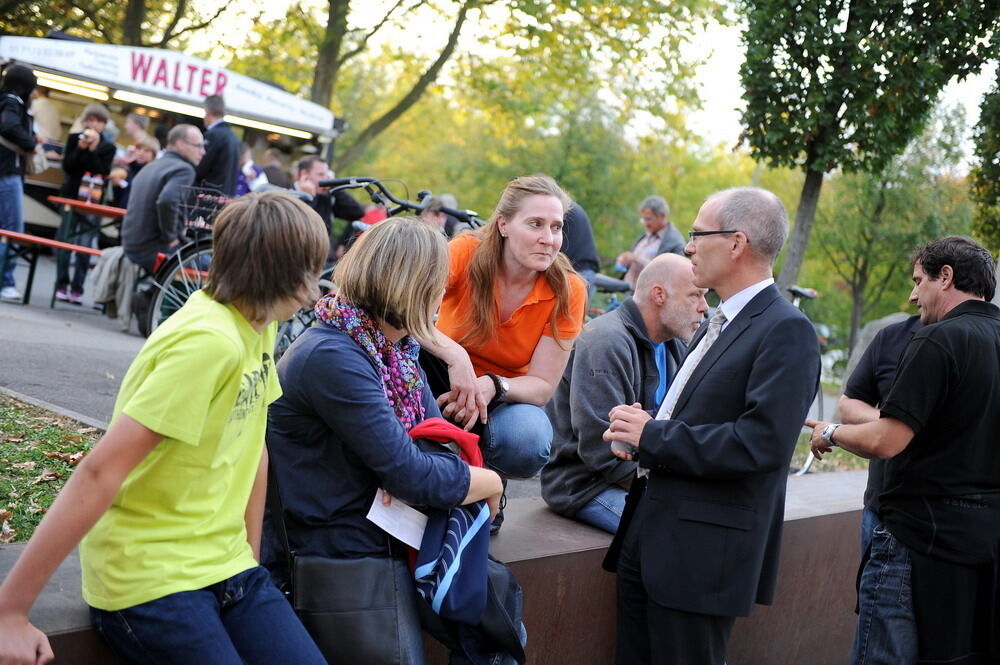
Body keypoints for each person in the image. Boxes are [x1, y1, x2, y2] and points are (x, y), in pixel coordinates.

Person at [0, 191, 331, 665]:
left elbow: (254, 446)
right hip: (149, 574)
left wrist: (248, 560)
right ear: (288, 276)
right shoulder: (207, 343)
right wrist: (10, 610)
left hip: (224, 565)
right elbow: (100, 471)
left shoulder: (260, 324)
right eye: (313, 270)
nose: (317, 287)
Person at [262, 217, 504, 664]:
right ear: (413, 286)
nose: (442, 299)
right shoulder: (333, 355)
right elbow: (414, 474)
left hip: (387, 536)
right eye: (439, 286)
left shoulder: (390, 351)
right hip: (342, 553)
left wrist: (415, 468)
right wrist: (490, 482)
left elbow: (432, 451)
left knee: (499, 633)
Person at [604, 186, 821, 665]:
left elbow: (759, 445)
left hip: (701, 558)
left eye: (699, 234)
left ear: (737, 243)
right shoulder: (717, 321)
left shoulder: (786, 330)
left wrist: (653, 435)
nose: (688, 245)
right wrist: (641, 439)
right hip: (652, 539)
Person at [807, 236, 1000, 665]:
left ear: (945, 277)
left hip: (916, 542)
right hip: (981, 542)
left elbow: (885, 441)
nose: (913, 294)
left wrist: (831, 431)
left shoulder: (937, 340)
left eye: (919, 281)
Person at [432, 174, 588, 532]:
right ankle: (428, 482)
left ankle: (488, 482)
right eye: (535, 224)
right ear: (503, 224)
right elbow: (413, 316)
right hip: (439, 371)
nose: (548, 239)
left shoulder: (568, 290)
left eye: (556, 227)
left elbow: (542, 386)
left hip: (502, 393)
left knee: (528, 440)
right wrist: (456, 358)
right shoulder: (464, 252)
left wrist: (490, 386)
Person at [541, 254, 707, 533]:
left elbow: (687, 422)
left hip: (647, 476)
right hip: (587, 487)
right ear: (659, 295)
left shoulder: (675, 346)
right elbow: (602, 450)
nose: (704, 307)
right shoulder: (605, 341)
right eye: (695, 295)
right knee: (676, 531)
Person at [838, 312, 922, 559]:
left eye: (919, 282)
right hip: (880, 509)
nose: (913, 294)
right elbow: (847, 405)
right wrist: (897, 421)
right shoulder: (892, 336)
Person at [120, 124, 205, 272]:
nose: (203, 152)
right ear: (181, 145)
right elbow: (167, 200)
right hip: (154, 250)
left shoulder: (152, 166)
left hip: (131, 246)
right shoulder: (184, 169)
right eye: (198, 146)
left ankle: (150, 293)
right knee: (216, 268)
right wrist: (171, 239)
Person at [55, 102, 115, 304]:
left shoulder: (108, 147)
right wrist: (80, 149)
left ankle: (77, 288)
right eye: (90, 120)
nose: (93, 124)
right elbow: (68, 167)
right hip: (72, 196)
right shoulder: (74, 139)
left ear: (103, 125)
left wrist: (93, 149)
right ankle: (61, 284)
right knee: (64, 241)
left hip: (93, 199)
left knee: (84, 243)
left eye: (97, 121)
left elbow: (101, 171)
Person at [0, 65, 40, 303]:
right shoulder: (13, 102)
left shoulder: (5, 99)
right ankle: (6, 282)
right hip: (8, 173)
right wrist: (32, 144)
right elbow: (9, 127)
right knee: (12, 229)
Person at [292, 156, 364, 262]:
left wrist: (334, 187)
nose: (326, 178)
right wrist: (308, 197)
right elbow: (304, 227)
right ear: (304, 175)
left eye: (327, 174)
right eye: (321, 174)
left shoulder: (325, 198)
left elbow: (356, 212)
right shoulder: (287, 195)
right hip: (297, 258)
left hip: (322, 258)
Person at [615, 195, 686, 288]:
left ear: (662, 216)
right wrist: (624, 260)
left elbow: (672, 274)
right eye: (643, 219)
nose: (645, 223)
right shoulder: (643, 237)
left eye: (648, 219)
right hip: (626, 291)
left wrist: (636, 259)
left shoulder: (675, 242)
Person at [195, 94, 240, 196]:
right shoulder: (232, 136)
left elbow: (202, 166)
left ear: (208, 111)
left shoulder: (213, 135)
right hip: (224, 196)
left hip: (209, 196)